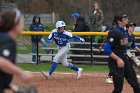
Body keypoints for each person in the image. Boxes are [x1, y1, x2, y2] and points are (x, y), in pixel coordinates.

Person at [104, 14, 140, 93]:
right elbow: (106, 49)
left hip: (125, 59)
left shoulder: (124, 32)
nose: (127, 20)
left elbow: (127, 45)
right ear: (119, 21)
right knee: (118, 89)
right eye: (125, 19)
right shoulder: (115, 32)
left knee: (136, 85)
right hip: (116, 62)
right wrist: (118, 59)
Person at [0, 9, 32, 93]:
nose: (22, 25)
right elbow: (1, 62)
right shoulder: (7, 40)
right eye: (21, 22)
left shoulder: (2, 37)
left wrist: (15, 89)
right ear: (15, 25)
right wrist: (21, 73)